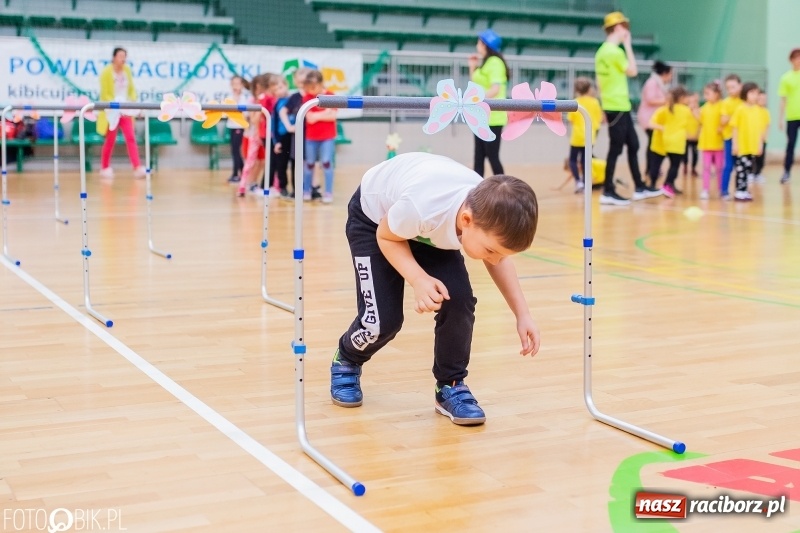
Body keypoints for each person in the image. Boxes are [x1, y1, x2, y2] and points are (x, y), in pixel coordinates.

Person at [329, 152, 541, 426]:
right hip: (376, 222)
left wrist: (523, 314)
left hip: (423, 227)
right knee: (382, 321)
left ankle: (450, 385)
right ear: (466, 220)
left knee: (459, 300)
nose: (495, 258)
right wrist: (418, 279)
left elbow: (498, 261)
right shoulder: (423, 207)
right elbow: (387, 236)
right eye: (490, 250)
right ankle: (347, 358)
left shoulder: (482, 213)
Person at [595, 12, 659, 205]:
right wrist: (628, 45)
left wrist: (602, 104)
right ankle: (608, 191)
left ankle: (639, 186)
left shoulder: (601, 52)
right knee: (616, 148)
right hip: (617, 105)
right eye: (624, 27)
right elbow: (633, 70)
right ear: (617, 28)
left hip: (617, 105)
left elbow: (599, 82)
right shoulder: (615, 52)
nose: (627, 31)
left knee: (633, 144)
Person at [97, 47, 143, 179]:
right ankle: (105, 167)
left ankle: (137, 167)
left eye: (124, 56)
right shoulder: (106, 72)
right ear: (114, 58)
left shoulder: (127, 70)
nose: (123, 59)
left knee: (131, 137)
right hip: (112, 111)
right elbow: (105, 94)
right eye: (120, 56)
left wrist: (132, 103)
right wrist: (114, 103)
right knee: (110, 140)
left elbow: (132, 89)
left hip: (125, 110)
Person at [469, 29, 508, 177]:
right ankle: (477, 188)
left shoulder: (495, 63)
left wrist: (474, 99)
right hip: (480, 117)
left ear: (485, 45)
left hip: (493, 118)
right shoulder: (486, 62)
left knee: (492, 156)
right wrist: (472, 66)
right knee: (478, 157)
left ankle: (505, 187)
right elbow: (476, 84)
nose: (477, 45)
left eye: (479, 42)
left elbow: (495, 89)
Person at [649, 86, 693, 198]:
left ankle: (653, 186)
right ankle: (667, 185)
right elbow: (691, 126)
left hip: (664, 141)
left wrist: (663, 128)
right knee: (674, 166)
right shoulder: (686, 110)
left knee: (656, 165)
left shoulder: (664, 109)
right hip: (677, 142)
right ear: (682, 98)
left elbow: (651, 123)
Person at [302, 70, 337, 203]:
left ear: (321, 83)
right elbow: (309, 119)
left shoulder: (330, 95)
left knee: (326, 163)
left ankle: (328, 193)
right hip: (311, 137)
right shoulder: (307, 97)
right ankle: (306, 190)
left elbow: (333, 116)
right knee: (309, 164)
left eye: (314, 86)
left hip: (327, 137)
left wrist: (318, 116)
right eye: (309, 87)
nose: (311, 90)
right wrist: (325, 113)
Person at [730, 82, 765, 202]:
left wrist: (760, 144)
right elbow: (735, 128)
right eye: (752, 93)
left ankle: (745, 190)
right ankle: (739, 190)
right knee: (741, 169)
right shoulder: (740, 109)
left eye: (756, 93)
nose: (755, 96)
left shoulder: (757, 110)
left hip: (752, 146)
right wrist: (735, 144)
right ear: (745, 94)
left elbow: (760, 129)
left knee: (749, 169)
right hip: (742, 146)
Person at [566, 77, 603, 193]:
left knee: (573, 159)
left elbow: (570, 119)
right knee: (586, 160)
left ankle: (578, 182)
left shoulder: (575, 102)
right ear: (589, 88)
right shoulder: (595, 102)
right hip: (590, 136)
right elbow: (599, 119)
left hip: (577, 136)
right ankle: (586, 182)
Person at [638, 60, 673, 177]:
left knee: (653, 144)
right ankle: (651, 169)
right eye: (670, 74)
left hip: (654, 118)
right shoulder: (652, 83)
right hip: (649, 118)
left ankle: (653, 169)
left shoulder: (660, 84)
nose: (671, 77)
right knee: (652, 145)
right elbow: (650, 99)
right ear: (665, 73)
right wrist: (666, 101)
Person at [697, 81, 724, 200]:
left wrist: (721, 127)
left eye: (708, 93)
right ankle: (705, 189)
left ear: (716, 94)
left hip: (719, 143)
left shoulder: (722, 106)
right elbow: (700, 120)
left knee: (719, 168)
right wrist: (693, 111)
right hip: (706, 143)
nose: (705, 96)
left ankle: (721, 189)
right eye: (705, 93)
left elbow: (725, 119)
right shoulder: (704, 107)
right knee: (706, 168)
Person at [778, 48, 800, 184]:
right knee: (790, 145)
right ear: (791, 60)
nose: (798, 60)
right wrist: (780, 119)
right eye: (796, 57)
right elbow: (783, 100)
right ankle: (786, 172)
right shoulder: (786, 78)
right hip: (792, 117)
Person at [719, 74, 743, 199]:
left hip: (743, 138)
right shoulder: (725, 103)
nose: (730, 90)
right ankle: (724, 191)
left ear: (740, 86)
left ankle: (740, 190)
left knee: (741, 166)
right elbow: (723, 120)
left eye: (733, 87)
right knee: (728, 165)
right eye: (728, 88)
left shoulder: (744, 101)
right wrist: (732, 117)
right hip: (729, 137)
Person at [226, 75, 250, 184]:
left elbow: (245, 114)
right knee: (234, 150)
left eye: (238, 84)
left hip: (240, 126)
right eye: (234, 84)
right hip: (231, 126)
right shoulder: (229, 97)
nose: (236, 86)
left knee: (237, 151)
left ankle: (237, 174)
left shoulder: (245, 98)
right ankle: (241, 172)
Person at [751, 90, 770, 183]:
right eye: (760, 98)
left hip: (763, 139)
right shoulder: (753, 110)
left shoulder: (765, 111)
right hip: (753, 139)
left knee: (760, 158)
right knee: (752, 158)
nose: (762, 101)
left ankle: (758, 174)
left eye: (764, 99)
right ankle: (751, 173)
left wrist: (764, 137)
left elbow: (767, 125)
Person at [683, 92, 700, 177]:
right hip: (686, 136)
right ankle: (685, 166)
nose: (692, 104)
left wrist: (694, 111)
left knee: (695, 154)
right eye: (690, 102)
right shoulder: (684, 110)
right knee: (685, 153)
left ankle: (693, 168)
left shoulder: (699, 111)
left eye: (695, 101)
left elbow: (701, 121)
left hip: (696, 137)